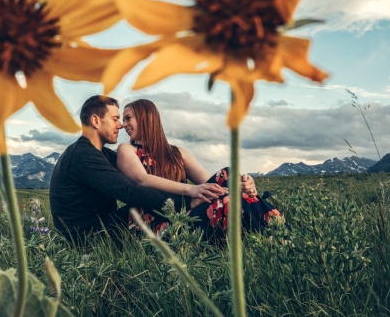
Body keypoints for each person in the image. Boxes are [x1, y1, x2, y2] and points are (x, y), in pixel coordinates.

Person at [49, 95, 254, 243]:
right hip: (89, 237)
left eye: (124, 119)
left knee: (226, 176)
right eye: (115, 119)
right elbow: (130, 189)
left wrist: (234, 183)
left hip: (103, 226)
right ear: (95, 120)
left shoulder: (103, 155)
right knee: (139, 207)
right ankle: (208, 225)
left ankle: (244, 207)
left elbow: (140, 178)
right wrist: (187, 201)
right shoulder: (82, 155)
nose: (120, 125)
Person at [117, 99, 282, 241]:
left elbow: (211, 183)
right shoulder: (127, 150)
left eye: (128, 118)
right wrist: (190, 190)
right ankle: (278, 232)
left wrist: (243, 184)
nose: (124, 125)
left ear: (146, 117)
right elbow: (141, 179)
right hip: (159, 225)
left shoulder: (177, 153)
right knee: (226, 201)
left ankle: (275, 234)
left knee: (228, 174)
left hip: (187, 215)